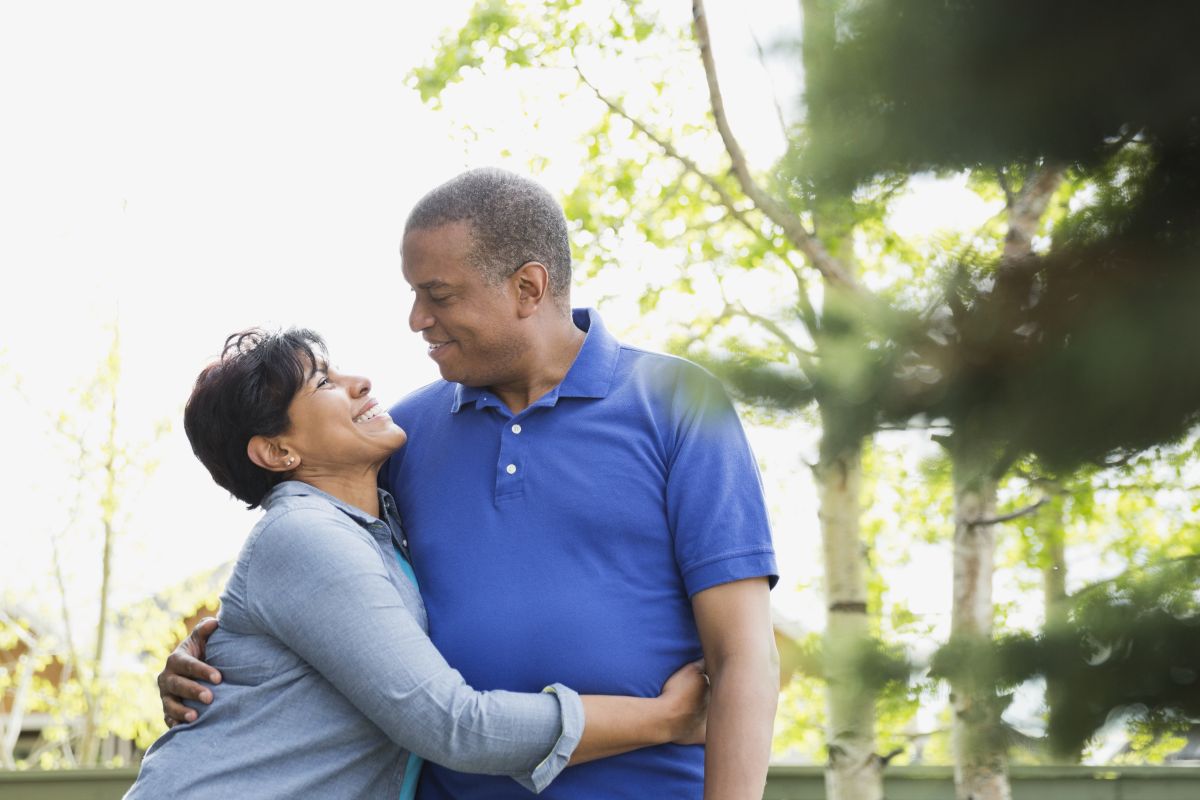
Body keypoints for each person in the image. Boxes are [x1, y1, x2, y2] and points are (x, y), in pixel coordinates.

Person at [161, 169, 780, 800]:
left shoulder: (677, 404)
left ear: (528, 288)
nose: (416, 319)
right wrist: (216, 657)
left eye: (439, 294)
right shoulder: (405, 434)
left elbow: (742, 656)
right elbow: (332, 581)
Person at [128, 328, 709, 799]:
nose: (360, 383)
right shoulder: (304, 535)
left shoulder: (377, 525)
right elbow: (451, 726)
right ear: (279, 451)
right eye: (324, 382)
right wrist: (667, 719)